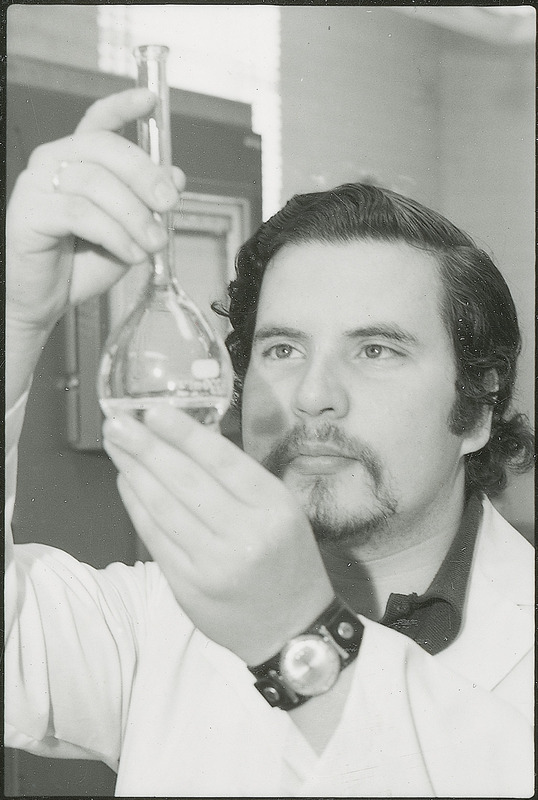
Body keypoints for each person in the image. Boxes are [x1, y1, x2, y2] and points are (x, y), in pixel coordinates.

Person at [5, 88, 534, 798]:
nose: (313, 394)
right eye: (282, 349)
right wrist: (14, 319)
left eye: (376, 350)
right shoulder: (155, 618)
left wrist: (297, 639)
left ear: (476, 408)